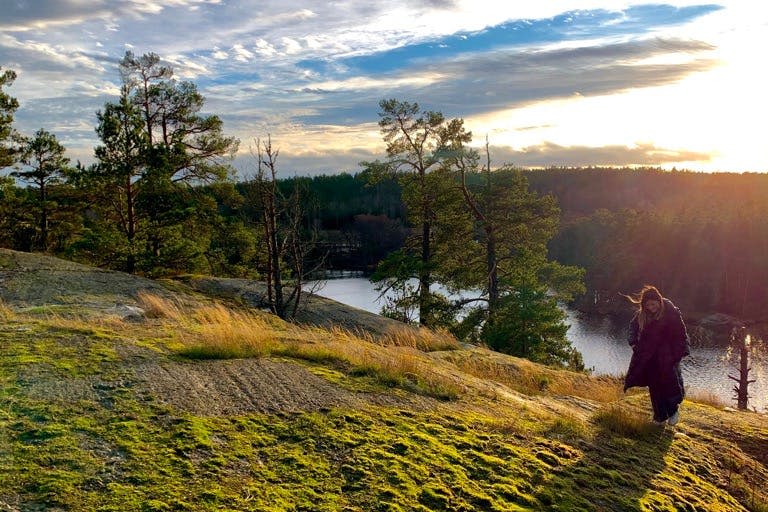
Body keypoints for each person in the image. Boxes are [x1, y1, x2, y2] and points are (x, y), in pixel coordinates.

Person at [623, 285, 690, 425]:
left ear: (659, 301)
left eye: (653, 304)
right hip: (649, 355)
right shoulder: (642, 314)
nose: (651, 307)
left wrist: (676, 355)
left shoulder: (671, 312)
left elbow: (681, 334)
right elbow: (632, 328)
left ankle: (673, 411)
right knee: (654, 386)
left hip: (668, 355)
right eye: (647, 305)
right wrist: (633, 343)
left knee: (670, 383)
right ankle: (659, 416)